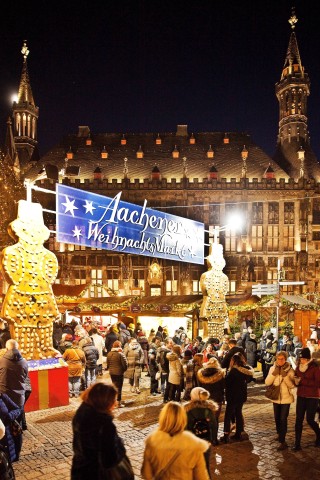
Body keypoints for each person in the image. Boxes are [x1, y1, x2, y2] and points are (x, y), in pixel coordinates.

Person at [71, 382, 134, 480]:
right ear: (104, 402)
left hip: (80, 471)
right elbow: (109, 460)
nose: (115, 403)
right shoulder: (105, 425)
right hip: (98, 474)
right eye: (113, 400)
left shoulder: (81, 414)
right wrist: (120, 445)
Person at [141, 401, 210, 480]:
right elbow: (201, 477)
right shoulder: (194, 445)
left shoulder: (152, 442)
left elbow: (146, 474)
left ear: (162, 418)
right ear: (183, 419)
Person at [265, 351, 296, 450]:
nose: (280, 361)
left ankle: (283, 441)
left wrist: (285, 376)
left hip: (286, 398)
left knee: (283, 419)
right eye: (278, 359)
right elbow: (267, 382)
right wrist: (274, 374)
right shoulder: (272, 368)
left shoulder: (290, 370)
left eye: (282, 359)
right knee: (277, 418)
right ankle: (279, 434)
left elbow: (291, 385)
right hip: (276, 398)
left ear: (285, 359)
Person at [220, 352, 254, 443]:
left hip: (232, 396)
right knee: (238, 413)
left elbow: (226, 383)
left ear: (233, 361)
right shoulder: (245, 371)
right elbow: (249, 380)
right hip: (241, 395)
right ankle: (238, 434)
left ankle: (226, 435)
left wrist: (224, 376)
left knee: (228, 415)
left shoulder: (233, 371)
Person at [292, 347, 320, 451]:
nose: (301, 360)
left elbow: (318, 383)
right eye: (300, 359)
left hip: (312, 396)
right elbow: (296, 377)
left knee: (309, 419)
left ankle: (318, 434)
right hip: (301, 395)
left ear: (308, 359)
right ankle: (297, 443)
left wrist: (303, 381)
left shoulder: (314, 368)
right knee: (298, 420)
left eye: (303, 359)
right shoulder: (298, 367)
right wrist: (296, 381)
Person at [0, 340, 28, 410]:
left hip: (4, 398)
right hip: (19, 398)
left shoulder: (1, 362)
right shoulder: (24, 362)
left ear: (6, 349)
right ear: (17, 348)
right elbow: (25, 378)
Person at [197, 357, 225, 422]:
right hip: (217, 397)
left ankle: (207, 430)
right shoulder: (220, 374)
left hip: (206, 397)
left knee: (207, 416)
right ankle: (215, 430)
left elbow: (200, 386)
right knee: (216, 417)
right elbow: (223, 386)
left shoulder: (202, 373)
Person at [0, 392, 23, 463]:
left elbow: (18, 409)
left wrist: (10, 416)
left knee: (7, 466)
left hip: (8, 438)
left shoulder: (2, 397)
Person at [106, 340, 128, 407]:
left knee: (114, 386)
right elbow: (125, 364)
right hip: (119, 373)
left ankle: (114, 401)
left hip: (112, 372)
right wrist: (124, 370)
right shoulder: (120, 354)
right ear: (119, 346)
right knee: (119, 387)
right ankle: (118, 402)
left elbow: (108, 363)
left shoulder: (109, 353)